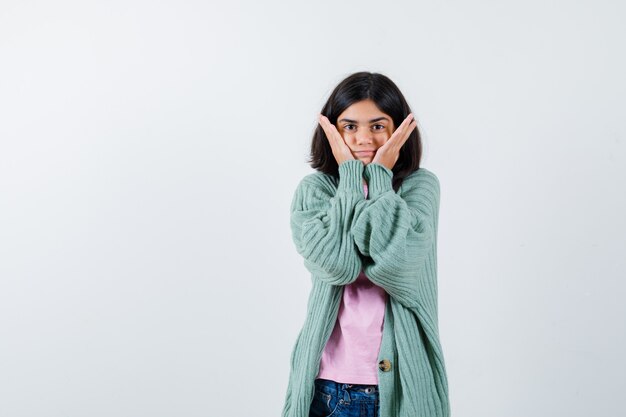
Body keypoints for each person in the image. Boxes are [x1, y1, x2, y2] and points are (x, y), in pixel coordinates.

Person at [281, 72, 450, 417]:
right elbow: (337, 266)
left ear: (399, 129)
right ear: (332, 131)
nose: (363, 139)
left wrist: (381, 179)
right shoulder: (315, 191)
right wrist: (350, 180)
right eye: (349, 126)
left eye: (377, 126)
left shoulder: (420, 188)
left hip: (402, 385)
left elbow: (397, 266)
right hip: (326, 386)